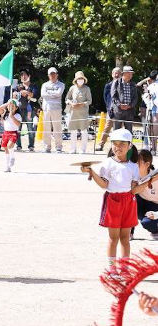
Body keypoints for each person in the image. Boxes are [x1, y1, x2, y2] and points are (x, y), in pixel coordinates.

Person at [81, 128, 139, 275]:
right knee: (113, 238)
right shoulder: (107, 163)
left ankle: (125, 268)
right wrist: (92, 172)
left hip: (129, 201)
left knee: (126, 238)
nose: (118, 147)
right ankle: (112, 268)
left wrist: (151, 180)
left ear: (129, 146)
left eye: (122, 144)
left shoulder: (133, 166)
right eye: (115, 144)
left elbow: (134, 189)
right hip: (112, 200)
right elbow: (104, 185)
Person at [131, 149, 158, 240]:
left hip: (155, 206)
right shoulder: (132, 175)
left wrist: (156, 214)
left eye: (137, 163)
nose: (133, 165)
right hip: (141, 201)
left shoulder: (156, 178)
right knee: (128, 198)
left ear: (147, 165)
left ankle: (156, 230)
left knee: (147, 223)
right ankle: (129, 231)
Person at [65, 71, 92, 154]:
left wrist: (82, 104)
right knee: (73, 131)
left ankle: (83, 149)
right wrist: (71, 103)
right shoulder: (72, 88)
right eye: (79, 79)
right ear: (76, 80)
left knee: (84, 131)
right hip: (73, 112)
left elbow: (90, 101)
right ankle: (73, 149)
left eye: (81, 78)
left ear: (84, 79)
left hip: (83, 112)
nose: (80, 80)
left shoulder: (87, 88)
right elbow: (67, 99)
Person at [40, 67, 65, 153]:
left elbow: (59, 94)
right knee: (46, 128)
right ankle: (47, 147)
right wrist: (53, 94)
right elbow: (43, 94)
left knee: (57, 128)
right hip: (46, 108)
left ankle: (59, 147)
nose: (53, 75)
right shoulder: (44, 85)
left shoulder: (61, 84)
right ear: (48, 75)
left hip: (56, 108)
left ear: (57, 74)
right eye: (51, 74)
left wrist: (49, 94)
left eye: (54, 74)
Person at [97, 67, 122, 151]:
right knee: (107, 127)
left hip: (121, 110)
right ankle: (101, 145)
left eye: (118, 73)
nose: (117, 74)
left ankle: (115, 148)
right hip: (111, 110)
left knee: (117, 129)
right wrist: (109, 108)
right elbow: (106, 98)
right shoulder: (108, 85)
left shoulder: (123, 85)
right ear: (112, 74)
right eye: (115, 73)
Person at [16, 69, 38, 152]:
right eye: (22, 75)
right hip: (19, 110)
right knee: (18, 129)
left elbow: (35, 95)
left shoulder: (33, 86)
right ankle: (18, 146)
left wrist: (27, 92)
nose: (23, 77)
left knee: (31, 129)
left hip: (30, 110)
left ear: (29, 76)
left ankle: (31, 146)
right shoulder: (18, 86)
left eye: (25, 75)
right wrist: (18, 93)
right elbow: (14, 96)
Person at [111, 65, 138, 132]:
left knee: (129, 131)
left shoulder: (133, 84)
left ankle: (129, 142)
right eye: (129, 73)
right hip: (118, 111)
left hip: (129, 111)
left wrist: (130, 106)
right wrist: (120, 105)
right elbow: (113, 96)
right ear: (124, 73)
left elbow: (135, 98)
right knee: (116, 131)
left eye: (131, 73)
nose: (130, 75)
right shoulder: (116, 82)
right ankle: (115, 142)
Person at [0, 99, 22, 172]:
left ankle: (13, 157)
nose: (11, 107)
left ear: (16, 108)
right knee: (5, 149)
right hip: (6, 133)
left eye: (13, 106)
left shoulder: (17, 115)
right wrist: (7, 103)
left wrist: (12, 116)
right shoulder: (5, 113)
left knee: (9, 146)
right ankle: (7, 166)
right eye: (9, 106)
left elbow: (18, 124)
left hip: (13, 133)